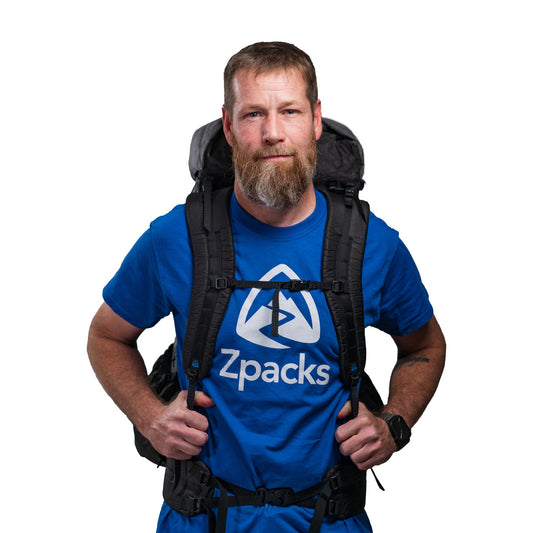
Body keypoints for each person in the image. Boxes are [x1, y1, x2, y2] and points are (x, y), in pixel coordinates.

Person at [87, 41, 446, 532]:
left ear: (316, 121)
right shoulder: (177, 237)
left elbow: (425, 345)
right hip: (200, 519)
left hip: (330, 520)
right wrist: (148, 416)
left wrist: (394, 423)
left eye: (289, 111)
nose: (272, 132)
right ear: (228, 126)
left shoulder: (372, 245)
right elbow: (107, 335)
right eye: (253, 113)